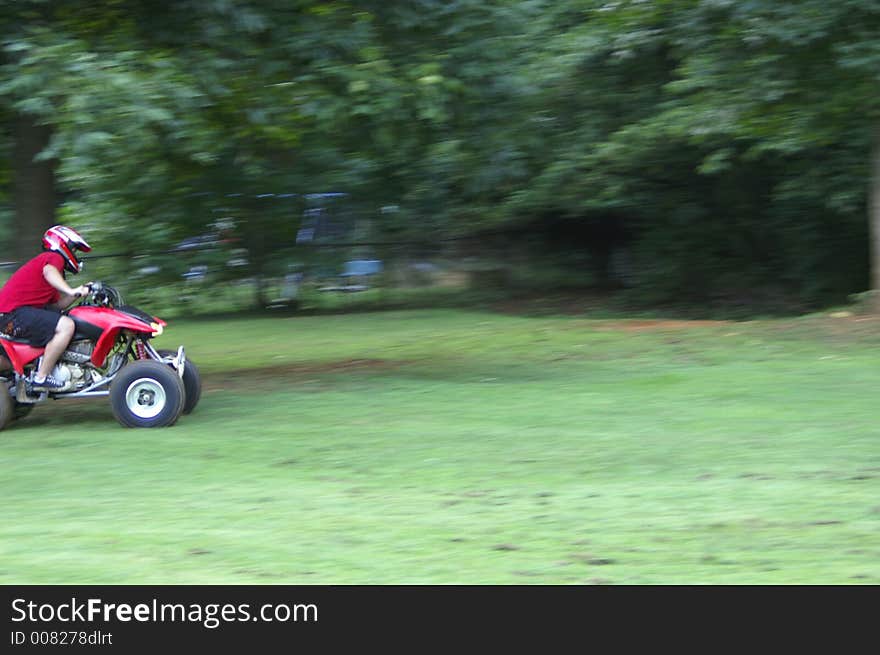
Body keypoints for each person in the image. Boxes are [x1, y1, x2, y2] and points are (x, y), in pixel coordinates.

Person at [0, 225, 92, 390]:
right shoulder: (52, 258)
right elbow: (49, 272)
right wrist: (71, 289)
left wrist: (80, 292)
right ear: (63, 244)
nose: (76, 255)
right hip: (12, 315)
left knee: (65, 318)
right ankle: (41, 377)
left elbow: (56, 305)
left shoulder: (54, 274)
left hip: (14, 315)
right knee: (66, 325)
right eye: (75, 249)